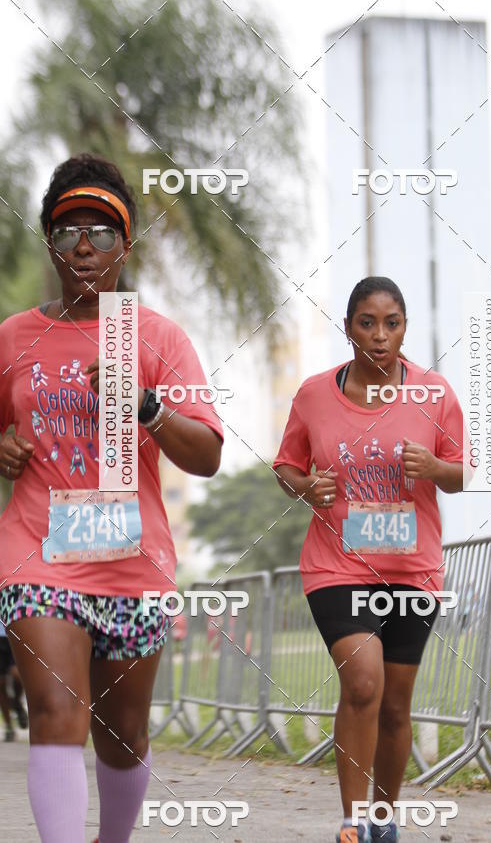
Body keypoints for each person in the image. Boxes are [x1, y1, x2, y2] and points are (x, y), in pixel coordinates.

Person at [0, 153, 224, 842]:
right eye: (69, 232)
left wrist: (146, 405)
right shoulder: (12, 339)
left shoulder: (155, 337)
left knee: (121, 735)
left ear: (126, 245)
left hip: (133, 559)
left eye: (102, 231)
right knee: (57, 711)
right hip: (39, 551)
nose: (86, 247)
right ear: (50, 243)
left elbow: (208, 454)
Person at [273, 277, 465, 843]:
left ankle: (384, 819)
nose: (380, 337)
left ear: (404, 327)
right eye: (367, 323)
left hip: (413, 569)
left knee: (396, 707)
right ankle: (353, 822)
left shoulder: (436, 393)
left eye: (392, 323)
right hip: (338, 564)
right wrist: (307, 488)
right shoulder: (313, 394)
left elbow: (464, 474)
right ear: (349, 326)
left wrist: (433, 468)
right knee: (362, 683)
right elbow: (285, 467)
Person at [0, 620, 28, 741]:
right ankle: (9, 727)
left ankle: (16, 703)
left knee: (18, 675)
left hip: (13, 631)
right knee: (1, 685)